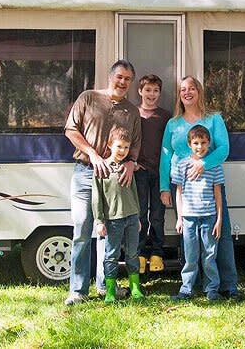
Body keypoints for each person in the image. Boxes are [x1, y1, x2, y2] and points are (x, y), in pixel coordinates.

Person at [160, 75, 244, 301]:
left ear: (199, 92)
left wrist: (203, 163)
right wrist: (164, 186)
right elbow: (166, 155)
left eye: (191, 88)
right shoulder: (173, 123)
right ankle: (191, 286)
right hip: (184, 189)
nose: (187, 92)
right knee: (189, 239)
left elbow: (224, 149)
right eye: (182, 89)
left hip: (211, 185)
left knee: (220, 236)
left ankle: (227, 286)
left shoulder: (213, 118)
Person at [64, 60, 141, 306]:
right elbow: (70, 130)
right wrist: (93, 154)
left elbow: (136, 144)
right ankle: (77, 290)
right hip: (86, 173)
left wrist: (130, 163)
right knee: (83, 230)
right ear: (110, 77)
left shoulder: (132, 110)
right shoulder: (88, 98)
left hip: (114, 178)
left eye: (128, 79)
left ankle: (104, 285)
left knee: (108, 234)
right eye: (119, 77)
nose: (123, 82)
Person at [172, 125, 223, 301]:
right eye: (196, 143)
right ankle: (186, 289)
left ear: (209, 144)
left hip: (209, 218)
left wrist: (219, 220)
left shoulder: (214, 166)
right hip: (188, 218)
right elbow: (179, 192)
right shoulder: (182, 165)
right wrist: (179, 218)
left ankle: (211, 290)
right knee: (190, 256)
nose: (199, 147)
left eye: (203, 143)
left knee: (209, 255)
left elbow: (218, 194)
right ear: (189, 144)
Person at [93, 127, 144, 303]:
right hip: (113, 220)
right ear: (109, 145)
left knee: (132, 254)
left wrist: (137, 216)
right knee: (111, 255)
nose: (122, 151)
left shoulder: (127, 167)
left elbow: (134, 192)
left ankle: (135, 288)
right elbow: (97, 197)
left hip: (131, 216)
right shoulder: (102, 168)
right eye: (119, 146)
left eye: (126, 148)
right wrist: (99, 221)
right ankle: (110, 291)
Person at [135, 74, 172, 273]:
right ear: (140, 91)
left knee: (157, 215)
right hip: (140, 172)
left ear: (159, 93)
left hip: (159, 173)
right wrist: (133, 162)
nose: (151, 94)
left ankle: (157, 252)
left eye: (155, 90)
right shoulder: (134, 113)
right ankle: (140, 253)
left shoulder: (165, 116)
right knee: (140, 214)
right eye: (147, 90)